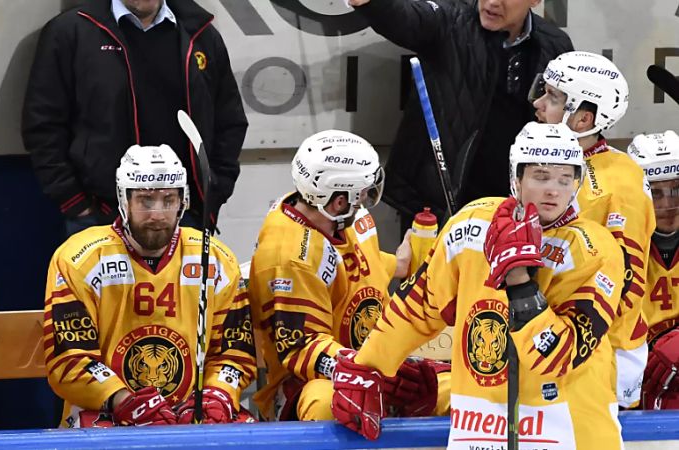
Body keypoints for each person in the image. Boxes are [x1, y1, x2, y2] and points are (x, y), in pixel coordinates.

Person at [332, 122, 624, 449]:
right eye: (541, 177)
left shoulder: (594, 250)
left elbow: (558, 359)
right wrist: (367, 366)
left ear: (577, 183)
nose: (553, 190)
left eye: (564, 178)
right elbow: (417, 307)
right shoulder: (471, 226)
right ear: (516, 178)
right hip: (481, 427)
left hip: (569, 431)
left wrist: (520, 284)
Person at [42, 144, 256, 427]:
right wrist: (122, 400)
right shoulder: (80, 259)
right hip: (108, 410)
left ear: (182, 201)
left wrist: (217, 395)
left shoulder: (214, 258)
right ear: (124, 200)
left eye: (168, 200)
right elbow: (69, 358)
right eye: (145, 200)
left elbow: (235, 351)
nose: (158, 214)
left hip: (191, 410)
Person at [248, 130, 450, 422]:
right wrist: (362, 370)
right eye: (364, 191)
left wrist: (400, 264)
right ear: (339, 201)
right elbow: (301, 346)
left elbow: (358, 266)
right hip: (313, 380)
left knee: (460, 390)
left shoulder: (341, 218)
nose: (368, 198)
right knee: (327, 405)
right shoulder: (289, 256)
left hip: (372, 359)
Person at [22, 0, 248, 235]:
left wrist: (213, 193)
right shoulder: (71, 32)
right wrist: (75, 202)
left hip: (184, 218)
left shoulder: (201, 33)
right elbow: (43, 124)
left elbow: (229, 121)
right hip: (101, 219)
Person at [347, 0, 573, 223]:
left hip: (513, 208)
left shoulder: (555, 45)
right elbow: (406, 16)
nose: (492, 3)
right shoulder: (450, 20)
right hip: (436, 205)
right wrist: (371, 3)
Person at [532, 50, 654, 407]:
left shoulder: (621, 179)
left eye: (553, 97)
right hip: (551, 335)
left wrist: (583, 342)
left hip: (602, 347)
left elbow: (627, 280)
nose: (539, 103)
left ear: (583, 120)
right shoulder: (545, 162)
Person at [627, 130, 679, 410]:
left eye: (677, 190)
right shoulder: (616, 245)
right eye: (656, 193)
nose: (668, 204)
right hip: (634, 381)